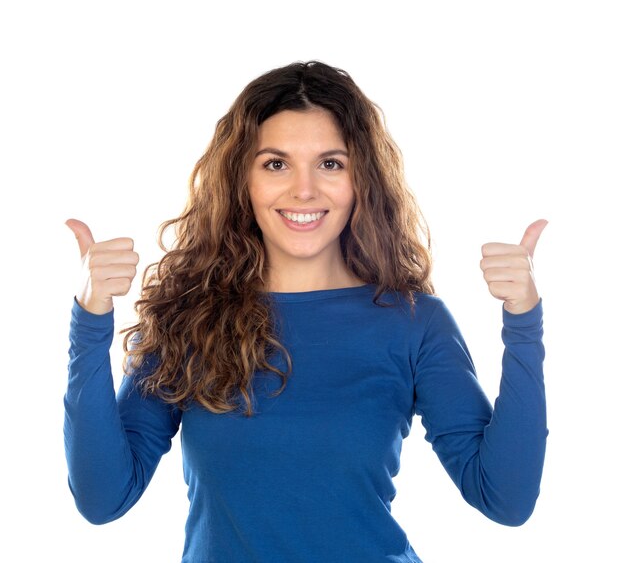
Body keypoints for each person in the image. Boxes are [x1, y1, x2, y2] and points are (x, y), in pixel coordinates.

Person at [64, 60, 548, 563]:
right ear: (241, 180)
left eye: (330, 163)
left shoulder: (413, 322)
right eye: (276, 164)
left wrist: (524, 320)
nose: (304, 190)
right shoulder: (186, 319)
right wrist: (91, 315)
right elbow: (103, 499)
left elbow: (505, 499)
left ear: (362, 179)